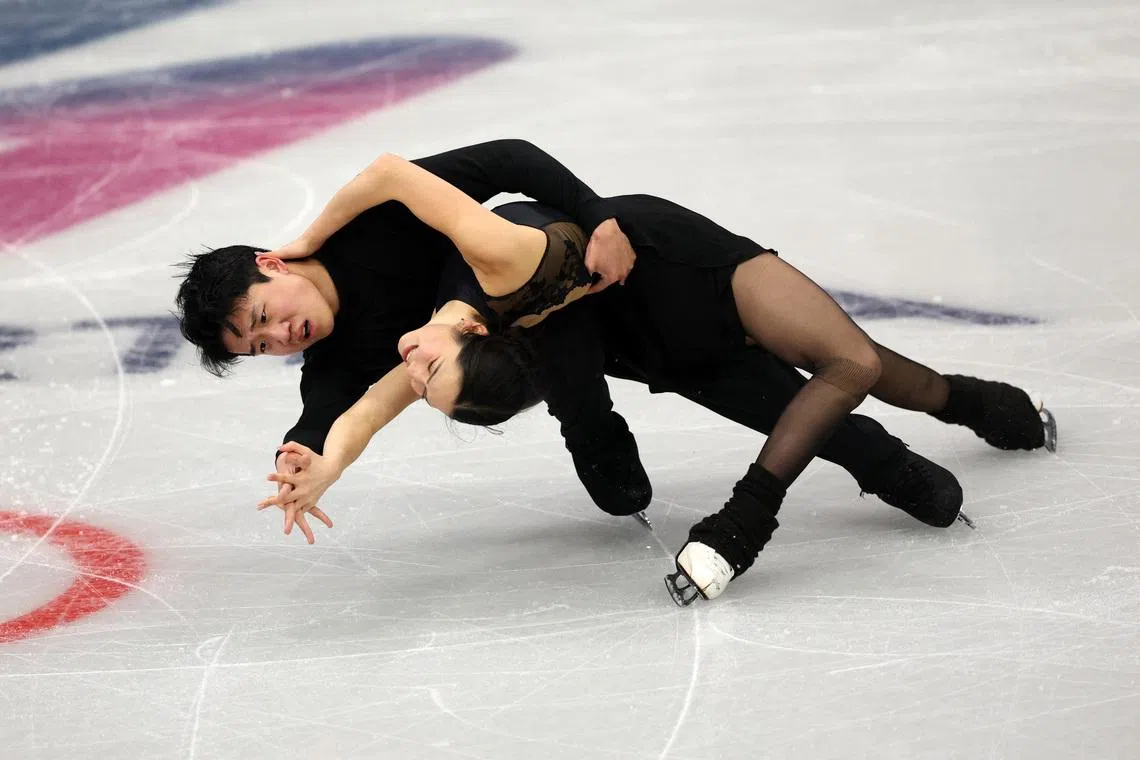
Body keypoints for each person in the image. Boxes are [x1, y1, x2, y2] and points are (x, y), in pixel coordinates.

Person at [254, 153, 1057, 606]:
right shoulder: (455, 337)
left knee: (866, 368)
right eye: (425, 379)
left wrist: (303, 242)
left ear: (470, 332)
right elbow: (367, 409)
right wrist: (327, 460)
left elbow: (395, 171)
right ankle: (925, 440)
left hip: (681, 267)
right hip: (655, 345)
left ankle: (757, 515)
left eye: (422, 371)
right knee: (894, 464)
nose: (407, 363)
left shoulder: (493, 261)